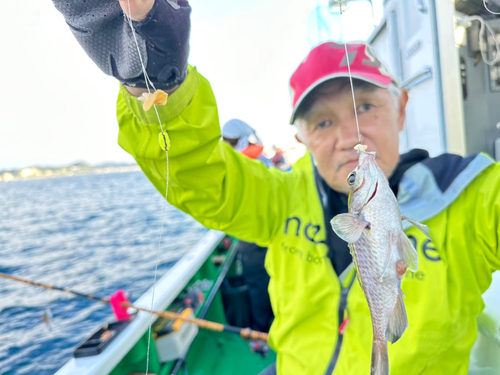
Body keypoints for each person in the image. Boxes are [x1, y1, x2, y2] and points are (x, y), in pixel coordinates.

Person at [53, 1, 500, 374]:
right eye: (323, 121)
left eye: (366, 105)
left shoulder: (473, 194)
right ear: (301, 137)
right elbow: (198, 175)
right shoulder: (280, 195)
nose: (349, 136)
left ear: (401, 108)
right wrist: (151, 76)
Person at [222, 119, 275, 332]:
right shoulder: (263, 159)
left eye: (227, 140)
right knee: (273, 279)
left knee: (257, 284)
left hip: (252, 237)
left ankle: (261, 328)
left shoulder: (238, 162)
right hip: (271, 231)